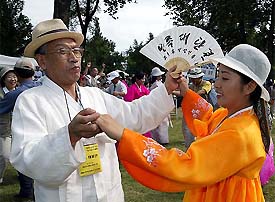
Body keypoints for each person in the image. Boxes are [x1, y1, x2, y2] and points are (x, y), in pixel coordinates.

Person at [9, 19, 178, 202]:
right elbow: (26, 158)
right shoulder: (31, 101)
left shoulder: (95, 95)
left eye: (76, 51)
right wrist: (69, 136)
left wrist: (166, 88)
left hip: (109, 195)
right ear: (42, 61)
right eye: (62, 51)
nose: (73, 57)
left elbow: (135, 115)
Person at [95, 44, 272, 202]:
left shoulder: (241, 134)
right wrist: (186, 93)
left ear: (249, 87)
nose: (216, 84)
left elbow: (185, 165)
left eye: (225, 78)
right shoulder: (232, 116)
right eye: (218, 76)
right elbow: (208, 120)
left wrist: (124, 135)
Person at [0, 58, 40, 200]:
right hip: (45, 132)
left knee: (24, 163)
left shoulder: (15, 94)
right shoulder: (42, 87)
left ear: (16, 73)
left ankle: (27, 192)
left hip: (25, 134)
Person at [0, 66, 17, 184]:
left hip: (17, 130)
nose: (13, 79)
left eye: (14, 76)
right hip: (3, 130)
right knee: (5, 156)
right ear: (3, 79)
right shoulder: (1, 93)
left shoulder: (20, 92)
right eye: (9, 76)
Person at [124, 71, 151, 138]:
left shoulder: (143, 88)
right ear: (137, 79)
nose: (143, 80)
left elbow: (149, 96)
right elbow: (128, 100)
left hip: (143, 110)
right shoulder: (132, 88)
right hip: (136, 111)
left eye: (144, 79)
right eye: (142, 79)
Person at [149, 67, 170, 145]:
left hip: (160, 104)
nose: (160, 77)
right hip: (159, 105)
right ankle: (161, 139)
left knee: (162, 123)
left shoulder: (158, 84)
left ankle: (162, 139)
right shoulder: (156, 85)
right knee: (161, 123)